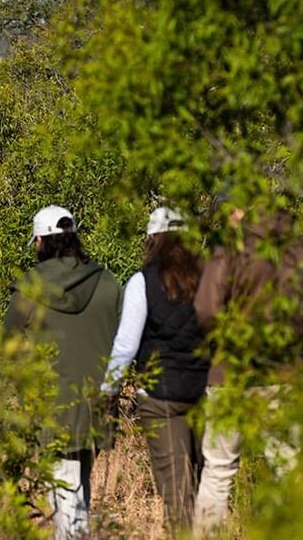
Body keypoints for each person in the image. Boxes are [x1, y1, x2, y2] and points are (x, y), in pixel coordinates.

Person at [192, 203, 303, 536]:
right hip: (283, 375)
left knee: (218, 471)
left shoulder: (231, 248)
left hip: (230, 377)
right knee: (289, 470)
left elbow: (206, 309)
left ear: (237, 209)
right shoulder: (298, 251)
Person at [4, 205, 122, 540]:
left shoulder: (30, 289)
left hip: (54, 405)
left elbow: (7, 346)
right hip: (99, 402)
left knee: (67, 489)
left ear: (41, 241)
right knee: (77, 481)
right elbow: (122, 339)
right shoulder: (106, 281)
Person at [101, 206, 209, 532]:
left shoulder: (141, 283)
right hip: (204, 392)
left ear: (153, 239)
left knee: (176, 492)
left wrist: (108, 391)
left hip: (160, 396)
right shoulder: (210, 280)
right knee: (205, 483)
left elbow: (125, 346)